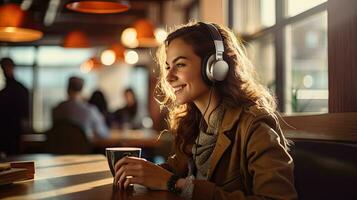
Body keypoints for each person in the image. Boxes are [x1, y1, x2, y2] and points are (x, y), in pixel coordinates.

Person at [113, 22, 298, 199]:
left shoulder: (254, 124)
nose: (168, 77)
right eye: (168, 67)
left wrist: (173, 183)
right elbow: (177, 172)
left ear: (215, 68)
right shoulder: (194, 123)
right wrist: (146, 172)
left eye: (180, 64)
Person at [0, 57, 30, 155]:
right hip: (9, 133)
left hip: (14, 132)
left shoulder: (18, 90)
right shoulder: (19, 89)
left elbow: (25, 116)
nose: (4, 70)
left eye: (6, 67)